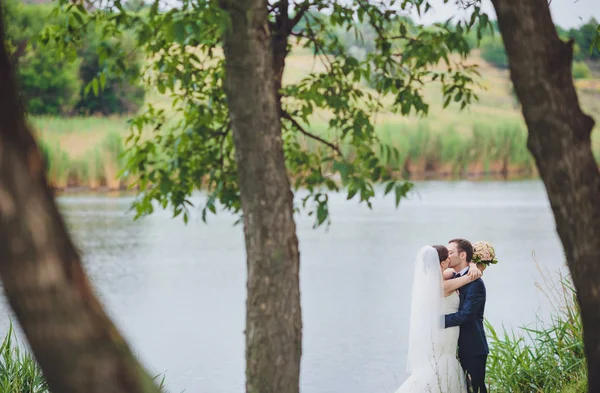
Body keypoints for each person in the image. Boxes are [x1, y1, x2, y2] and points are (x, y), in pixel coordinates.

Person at [395, 244, 482, 393]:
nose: (450, 259)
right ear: (442, 263)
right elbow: (470, 277)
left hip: (440, 333)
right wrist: (475, 267)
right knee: (443, 366)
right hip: (444, 333)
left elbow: (457, 272)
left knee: (437, 365)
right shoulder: (442, 286)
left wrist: (472, 264)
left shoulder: (432, 279)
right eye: (448, 257)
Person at [445, 238, 489, 393]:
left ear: (463, 255)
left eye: (450, 253)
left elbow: (466, 316)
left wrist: (436, 321)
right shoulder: (452, 277)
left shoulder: (476, 284)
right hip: (452, 347)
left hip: (472, 347)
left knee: (475, 389)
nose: (447, 256)